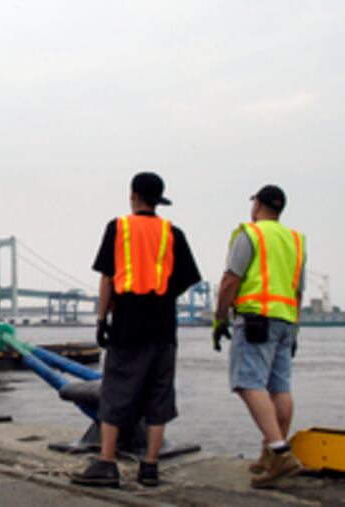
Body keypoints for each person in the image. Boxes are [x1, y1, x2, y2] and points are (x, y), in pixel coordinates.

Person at [71, 172, 200, 488]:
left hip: (128, 323)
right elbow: (187, 277)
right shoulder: (174, 233)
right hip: (164, 326)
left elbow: (107, 278)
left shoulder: (119, 228)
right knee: (159, 393)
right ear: (159, 200)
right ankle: (150, 466)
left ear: (133, 194)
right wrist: (164, 295)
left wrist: (102, 320)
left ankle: (107, 462)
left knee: (116, 391)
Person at [213, 184, 305, 489]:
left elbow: (230, 280)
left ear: (258, 205)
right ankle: (269, 452)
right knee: (279, 386)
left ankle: (280, 453)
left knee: (247, 382)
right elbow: (298, 290)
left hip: (255, 319)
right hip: (286, 320)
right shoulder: (295, 240)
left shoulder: (249, 234)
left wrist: (219, 318)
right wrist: (295, 329)